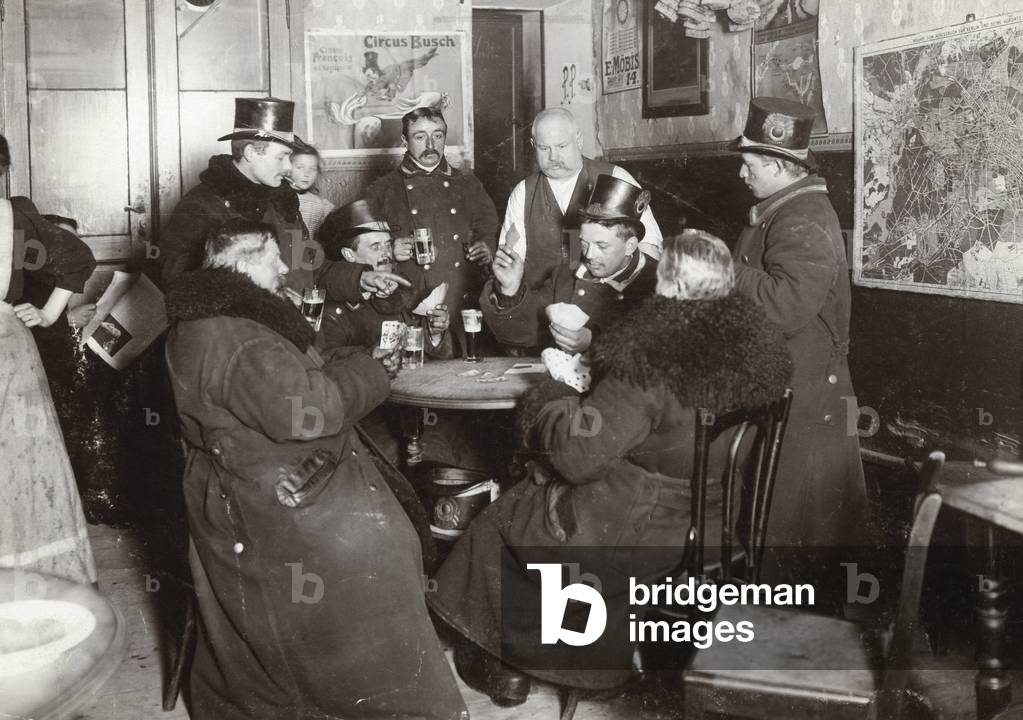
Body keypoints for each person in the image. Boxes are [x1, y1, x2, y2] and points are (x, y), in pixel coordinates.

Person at [429, 230, 793, 704]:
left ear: (669, 285)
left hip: (643, 528)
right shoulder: (760, 349)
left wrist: (555, 397)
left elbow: (576, 459)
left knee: (507, 516)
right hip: (717, 522)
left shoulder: (648, 359)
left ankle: (511, 664)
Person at [163, 218, 467, 720]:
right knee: (382, 551)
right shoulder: (239, 337)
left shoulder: (209, 318)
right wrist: (374, 370)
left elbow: (297, 372)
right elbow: (313, 409)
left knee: (390, 534)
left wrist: (347, 363)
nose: (284, 268)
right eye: (272, 258)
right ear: (241, 264)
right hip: (275, 499)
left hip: (244, 485)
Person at [730, 97, 870, 583]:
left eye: (750, 166)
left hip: (809, 394)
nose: (742, 175)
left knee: (800, 532)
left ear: (776, 166)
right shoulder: (781, 209)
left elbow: (785, 304)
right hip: (788, 384)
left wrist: (724, 274)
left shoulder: (802, 217)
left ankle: (796, 634)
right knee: (785, 525)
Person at [159, 96, 405, 302]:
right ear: (250, 153)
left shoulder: (282, 201)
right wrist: (268, 299)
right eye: (282, 157)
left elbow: (311, 265)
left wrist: (360, 278)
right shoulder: (201, 207)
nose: (289, 168)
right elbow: (182, 288)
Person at [0, 132, 98, 585]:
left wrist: (46, 312)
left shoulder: (14, 220)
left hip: (6, 353)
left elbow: (76, 258)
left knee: (15, 469)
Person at [365, 106, 500, 354]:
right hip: (408, 308)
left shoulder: (467, 183)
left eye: (437, 135)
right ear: (404, 140)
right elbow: (363, 248)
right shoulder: (383, 190)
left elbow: (489, 227)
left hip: (460, 303)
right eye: (420, 136)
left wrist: (486, 246)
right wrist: (390, 249)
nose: (430, 144)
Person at [483, 173, 659, 355]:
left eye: (602, 245)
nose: (589, 255)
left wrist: (594, 342)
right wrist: (510, 290)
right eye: (584, 243)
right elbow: (522, 334)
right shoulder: (567, 274)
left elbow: (662, 352)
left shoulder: (661, 281)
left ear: (630, 246)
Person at [499, 107, 663, 289]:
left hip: (603, 304)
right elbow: (510, 261)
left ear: (579, 140)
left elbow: (649, 247)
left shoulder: (616, 178)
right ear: (533, 145)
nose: (553, 157)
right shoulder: (523, 192)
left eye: (562, 146)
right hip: (541, 306)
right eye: (544, 148)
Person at [317, 198, 451, 356]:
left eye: (388, 244)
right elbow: (326, 362)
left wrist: (433, 332)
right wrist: (372, 354)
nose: (386, 254)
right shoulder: (333, 310)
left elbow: (420, 356)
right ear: (349, 254)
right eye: (375, 247)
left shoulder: (398, 290)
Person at [288, 139, 335, 239]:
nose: (306, 174)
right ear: (287, 168)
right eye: (300, 167)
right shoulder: (279, 198)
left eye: (312, 169)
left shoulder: (320, 204)